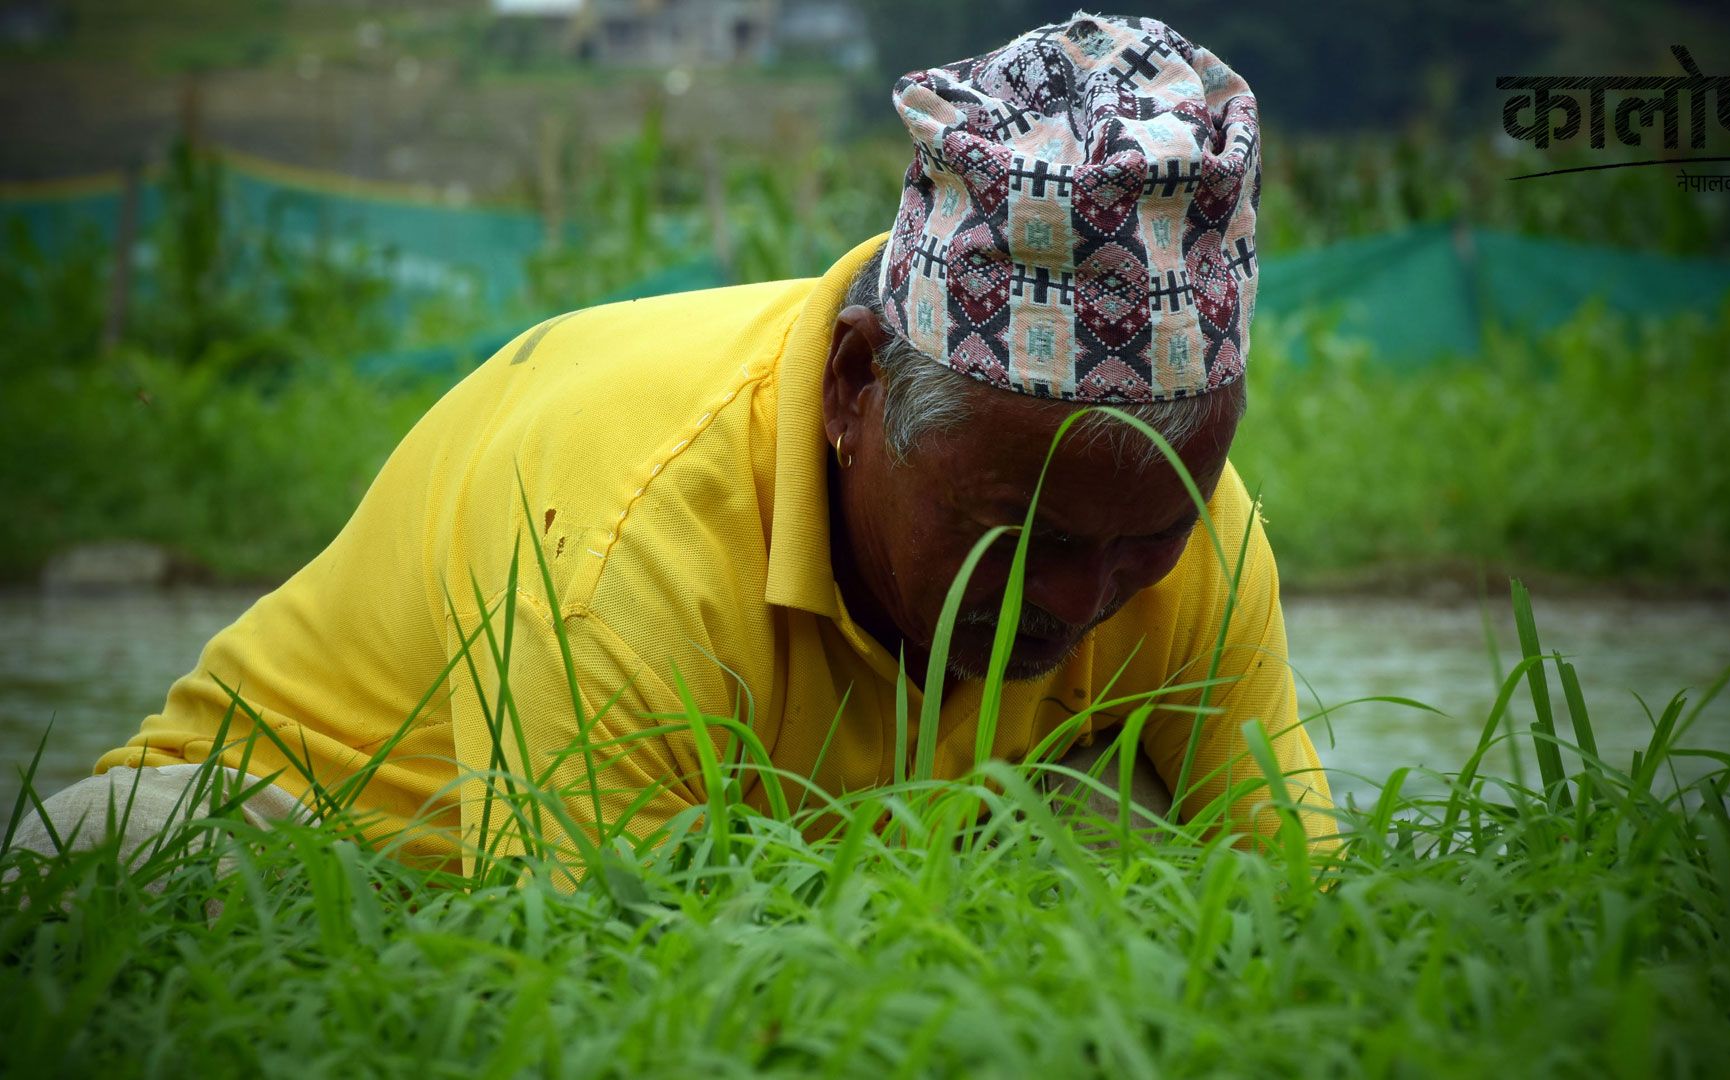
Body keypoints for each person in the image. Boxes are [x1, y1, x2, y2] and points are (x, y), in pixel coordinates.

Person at [16, 13, 1331, 872]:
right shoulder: (635, 529)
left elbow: (1305, 896)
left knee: (1152, 861)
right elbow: (603, 976)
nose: (1077, 601)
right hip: (333, 842)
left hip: (794, 866)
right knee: (139, 877)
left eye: (1141, 541)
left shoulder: (1191, 530)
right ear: (855, 390)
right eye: (1015, 538)